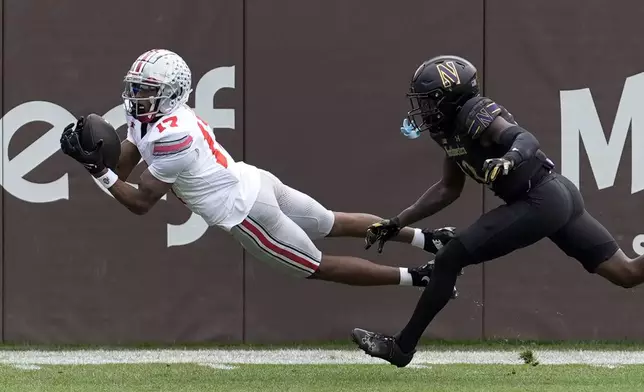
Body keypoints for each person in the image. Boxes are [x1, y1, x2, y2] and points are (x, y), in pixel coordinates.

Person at [59, 48, 458, 291]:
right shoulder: (155, 119)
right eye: (135, 87)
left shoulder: (171, 136)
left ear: (171, 92)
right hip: (255, 181)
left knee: (317, 266)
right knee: (332, 222)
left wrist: (98, 170)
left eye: (145, 90)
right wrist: (99, 159)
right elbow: (124, 165)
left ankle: (418, 277)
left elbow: (140, 201)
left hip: (247, 214)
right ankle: (428, 239)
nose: (136, 96)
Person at [351, 55, 644, 367]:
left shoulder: (473, 111)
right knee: (627, 273)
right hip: (553, 195)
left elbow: (524, 138)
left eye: (430, 101)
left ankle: (402, 347)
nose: (424, 110)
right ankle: (402, 347)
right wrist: (399, 221)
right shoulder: (448, 130)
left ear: (451, 97)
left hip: (541, 198)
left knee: (449, 257)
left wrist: (510, 159)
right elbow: (448, 188)